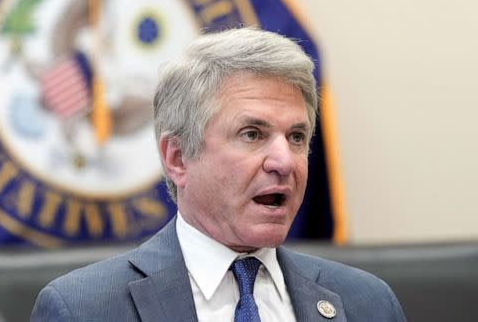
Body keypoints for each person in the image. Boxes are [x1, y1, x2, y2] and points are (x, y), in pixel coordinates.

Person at [31, 27, 406, 322]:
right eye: (252, 134)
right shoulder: (84, 310)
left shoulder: (368, 304)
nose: (285, 161)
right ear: (178, 158)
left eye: (296, 136)